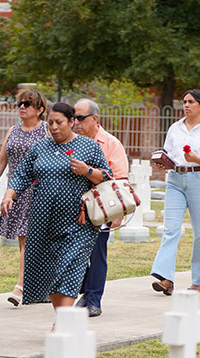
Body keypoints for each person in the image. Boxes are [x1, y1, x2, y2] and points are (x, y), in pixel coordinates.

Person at [3, 102, 111, 321]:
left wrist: (86, 170)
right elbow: (22, 174)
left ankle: (63, 320)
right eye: (50, 122)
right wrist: (9, 194)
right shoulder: (40, 147)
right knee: (49, 271)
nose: (53, 127)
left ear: (72, 122)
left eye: (59, 122)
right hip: (43, 221)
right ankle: (62, 318)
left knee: (71, 266)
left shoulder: (88, 147)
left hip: (78, 222)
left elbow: (107, 176)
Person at [150, 89, 200, 295]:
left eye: (191, 102)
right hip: (175, 180)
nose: (186, 105)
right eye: (184, 102)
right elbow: (168, 153)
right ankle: (165, 278)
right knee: (170, 229)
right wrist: (164, 163)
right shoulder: (175, 128)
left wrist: (197, 160)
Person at [0, 88, 48, 307]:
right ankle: (38, 287)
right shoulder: (13, 130)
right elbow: (2, 159)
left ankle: (20, 286)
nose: (22, 107)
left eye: (28, 104)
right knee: (25, 240)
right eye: (20, 103)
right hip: (17, 193)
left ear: (40, 110)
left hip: (40, 193)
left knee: (30, 241)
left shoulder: (47, 131)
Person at [73, 98, 129, 317]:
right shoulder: (72, 141)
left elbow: (121, 179)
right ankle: (86, 289)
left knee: (97, 254)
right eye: (73, 118)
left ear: (94, 119)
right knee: (72, 253)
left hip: (101, 207)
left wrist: (119, 213)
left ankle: (94, 299)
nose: (75, 122)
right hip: (74, 207)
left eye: (80, 118)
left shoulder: (111, 144)